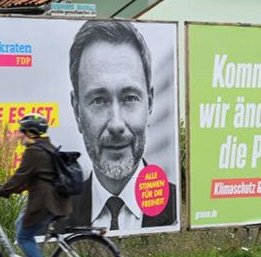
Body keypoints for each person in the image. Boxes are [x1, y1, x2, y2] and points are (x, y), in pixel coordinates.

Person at [62, 20, 176, 231]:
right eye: (99, 100)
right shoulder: (56, 219)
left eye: (130, 98)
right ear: (77, 111)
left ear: (149, 103)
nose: (116, 124)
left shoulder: (176, 209)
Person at [0, 114, 72, 257]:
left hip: (45, 204)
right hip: (54, 201)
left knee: (23, 237)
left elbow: (19, 177)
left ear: (31, 132)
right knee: (20, 225)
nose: (19, 135)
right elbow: (32, 177)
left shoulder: (34, 152)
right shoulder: (46, 147)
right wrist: (8, 189)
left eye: (22, 131)